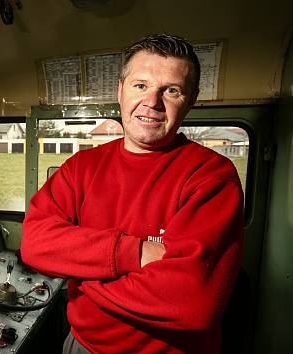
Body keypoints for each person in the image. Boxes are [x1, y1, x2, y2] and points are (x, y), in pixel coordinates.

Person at [21, 34, 244, 354]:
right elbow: (34, 243)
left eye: (171, 90)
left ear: (191, 100)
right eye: (141, 85)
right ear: (120, 90)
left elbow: (192, 302)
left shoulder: (211, 176)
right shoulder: (80, 167)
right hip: (82, 346)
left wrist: (78, 271)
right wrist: (135, 252)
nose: (152, 102)